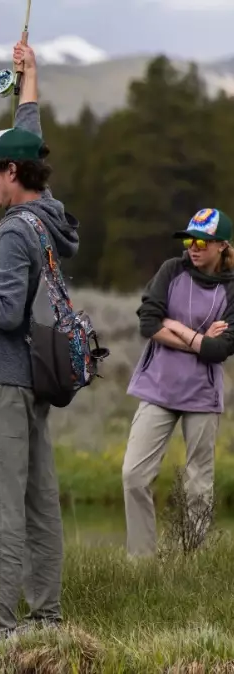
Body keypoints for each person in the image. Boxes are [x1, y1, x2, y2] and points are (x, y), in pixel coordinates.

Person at [0, 41, 80, 643]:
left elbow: (1, 311)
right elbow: (29, 135)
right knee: (38, 505)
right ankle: (47, 620)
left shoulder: (7, 237)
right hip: (35, 381)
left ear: (12, 174)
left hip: (4, 382)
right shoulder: (48, 214)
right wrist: (30, 80)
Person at [122, 208, 234, 558]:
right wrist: (198, 337)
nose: (193, 248)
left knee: (199, 482)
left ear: (222, 247)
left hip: (202, 395)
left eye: (201, 241)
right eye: (189, 240)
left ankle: (193, 561)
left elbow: (220, 351)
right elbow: (148, 325)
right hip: (158, 388)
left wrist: (177, 328)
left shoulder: (231, 288)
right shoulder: (171, 270)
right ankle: (141, 562)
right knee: (134, 475)